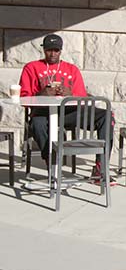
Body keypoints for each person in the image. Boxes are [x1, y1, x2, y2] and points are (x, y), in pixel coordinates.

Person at [19, 33, 111, 180]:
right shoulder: (31, 67)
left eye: (56, 50)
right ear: (44, 50)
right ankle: (52, 162)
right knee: (37, 124)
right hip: (42, 113)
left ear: (61, 51)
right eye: (49, 50)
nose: (53, 53)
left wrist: (70, 93)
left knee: (107, 115)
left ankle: (101, 167)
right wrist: (42, 93)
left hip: (69, 113)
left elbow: (83, 96)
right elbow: (23, 98)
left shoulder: (71, 69)